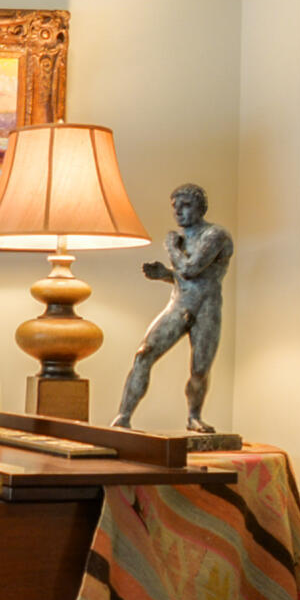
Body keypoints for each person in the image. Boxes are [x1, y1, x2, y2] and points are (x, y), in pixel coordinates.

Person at [114, 182, 231, 433]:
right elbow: (184, 276)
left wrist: (171, 247)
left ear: (200, 208)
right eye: (175, 207)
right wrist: (165, 274)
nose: (179, 212)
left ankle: (194, 417)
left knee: (200, 369)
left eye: (186, 206)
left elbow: (191, 269)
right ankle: (123, 417)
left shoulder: (215, 235)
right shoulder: (182, 239)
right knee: (144, 353)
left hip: (206, 309)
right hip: (179, 304)